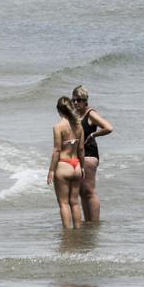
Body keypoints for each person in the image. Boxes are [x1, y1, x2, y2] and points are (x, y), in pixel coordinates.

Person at [72, 86, 111, 223]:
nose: (76, 103)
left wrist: (94, 134)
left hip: (89, 154)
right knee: (82, 192)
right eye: (74, 100)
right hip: (78, 155)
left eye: (79, 100)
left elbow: (108, 127)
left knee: (89, 191)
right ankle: (88, 222)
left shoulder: (90, 114)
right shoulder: (75, 114)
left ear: (85, 101)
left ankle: (94, 223)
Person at [48, 96, 85, 229]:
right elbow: (81, 148)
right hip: (76, 165)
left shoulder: (58, 127)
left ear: (59, 110)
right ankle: (78, 231)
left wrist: (51, 170)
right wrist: (83, 167)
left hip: (63, 165)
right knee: (75, 203)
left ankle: (68, 235)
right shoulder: (79, 126)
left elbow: (57, 150)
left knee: (63, 203)